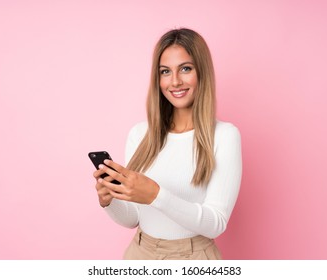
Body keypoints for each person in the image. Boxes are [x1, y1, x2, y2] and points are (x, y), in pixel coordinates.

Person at [93, 28, 242, 260]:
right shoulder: (140, 134)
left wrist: (156, 194)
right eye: (165, 71)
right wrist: (109, 201)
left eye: (185, 68)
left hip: (193, 257)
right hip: (140, 252)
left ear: (202, 72)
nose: (175, 81)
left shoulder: (224, 136)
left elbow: (216, 223)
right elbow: (133, 218)